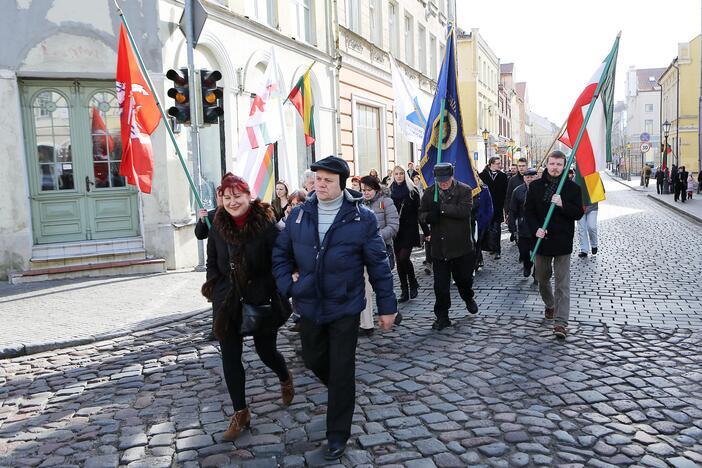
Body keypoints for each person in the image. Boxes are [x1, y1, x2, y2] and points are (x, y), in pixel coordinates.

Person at [272, 156, 397, 460]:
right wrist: (288, 286)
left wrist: (386, 306)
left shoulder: (361, 218)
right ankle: (344, 392)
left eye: (327, 180)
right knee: (313, 357)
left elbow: (378, 265)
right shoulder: (300, 214)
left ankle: (337, 433)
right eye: (317, 179)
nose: (321, 185)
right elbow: (280, 253)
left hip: (345, 305)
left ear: (341, 182)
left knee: (342, 369)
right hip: (309, 303)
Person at [203, 173, 294, 441]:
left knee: (266, 352)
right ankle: (240, 413)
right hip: (227, 301)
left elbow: (282, 259)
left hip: (260, 299)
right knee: (230, 358)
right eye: (227, 197)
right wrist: (215, 287)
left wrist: (268, 287)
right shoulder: (218, 225)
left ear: (249, 196)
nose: (232, 202)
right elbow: (212, 261)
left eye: (237, 196)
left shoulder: (266, 224)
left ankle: (284, 376)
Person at [525, 151, 583, 339]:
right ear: (547, 165)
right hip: (542, 241)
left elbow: (578, 214)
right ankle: (550, 304)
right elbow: (529, 212)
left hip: (562, 242)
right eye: (552, 164)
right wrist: (536, 229)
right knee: (542, 279)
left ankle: (561, 323)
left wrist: (562, 204)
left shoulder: (572, 188)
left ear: (564, 165)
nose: (555, 167)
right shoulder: (535, 186)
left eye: (559, 164)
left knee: (562, 284)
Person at [419, 163, 479, 330]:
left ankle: (468, 297)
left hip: (461, 247)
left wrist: (442, 209)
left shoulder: (464, 190)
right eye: (440, 181)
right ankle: (442, 316)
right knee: (440, 286)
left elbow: (464, 211)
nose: (443, 183)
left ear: (452, 176)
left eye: (446, 180)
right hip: (440, 248)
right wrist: (429, 216)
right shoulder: (430, 192)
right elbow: (421, 214)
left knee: (464, 280)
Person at [359, 175, 400, 336]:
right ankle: (366, 324)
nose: (365, 193)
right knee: (365, 286)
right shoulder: (359, 204)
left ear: (375, 189)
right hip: (363, 251)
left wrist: (376, 237)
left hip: (382, 250)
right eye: (363, 190)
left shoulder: (386, 202)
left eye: (368, 190)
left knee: (381, 284)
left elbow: (393, 226)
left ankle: (392, 311)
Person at [389, 165, 422, 302]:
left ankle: (413, 282)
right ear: (393, 175)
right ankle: (404, 290)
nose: (399, 176)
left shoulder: (412, 190)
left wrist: (425, 231)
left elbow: (419, 212)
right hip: (396, 229)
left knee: (404, 258)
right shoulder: (389, 191)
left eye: (401, 173)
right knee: (399, 261)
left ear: (405, 175)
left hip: (409, 228)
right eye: (396, 173)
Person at [276, 190, 308, 332]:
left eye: (298, 203)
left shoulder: (308, 217)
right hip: (294, 260)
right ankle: (298, 319)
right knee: (296, 292)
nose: (295, 206)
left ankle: (304, 320)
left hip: (304, 261)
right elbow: (280, 230)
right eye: (292, 204)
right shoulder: (289, 217)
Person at [196, 185, 224, 341]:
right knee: (217, 298)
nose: (221, 198)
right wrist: (201, 220)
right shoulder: (210, 216)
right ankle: (216, 329)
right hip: (215, 263)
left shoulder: (233, 215)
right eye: (219, 195)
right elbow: (200, 235)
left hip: (231, 262)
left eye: (223, 195)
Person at [508, 168, 538, 277]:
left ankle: (537, 271)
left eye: (532, 177)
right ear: (524, 178)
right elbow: (513, 210)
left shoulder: (542, 190)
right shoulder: (518, 191)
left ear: (536, 177)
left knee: (538, 251)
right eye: (527, 177)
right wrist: (512, 226)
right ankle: (527, 264)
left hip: (538, 227)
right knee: (524, 251)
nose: (529, 179)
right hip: (523, 226)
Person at [479, 157, 508, 259]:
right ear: (491, 164)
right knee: (485, 229)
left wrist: (505, 207)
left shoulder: (503, 176)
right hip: (485, 207)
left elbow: (506, 192)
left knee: (497, 228)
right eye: (497, 163)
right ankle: (488, 247)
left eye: (499, 163)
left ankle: (497, 249)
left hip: (497, 206)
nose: (499, 165)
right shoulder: (482, 175)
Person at [505, 157, 528, 242]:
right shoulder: (513, 180)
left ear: (527, 166)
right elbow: (508, 196)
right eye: (519, 166)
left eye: (523, 166)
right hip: (517, 210)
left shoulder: (531, 177)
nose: (521, 168)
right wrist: (507, 211)